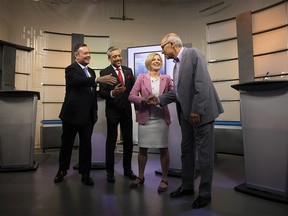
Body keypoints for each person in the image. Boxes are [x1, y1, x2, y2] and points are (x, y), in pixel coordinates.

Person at [149, 33, 224, 208]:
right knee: (186, 151)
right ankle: (188, 186)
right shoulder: (176, 65)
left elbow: (202, 84)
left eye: (163, 48)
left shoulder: (193, 54)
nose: (162, 52)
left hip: (201, 114)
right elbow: (179, 93)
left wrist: (196, 110)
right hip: (187, 116)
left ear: (172, 44)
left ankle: (205, 194)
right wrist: (159, 99)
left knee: (204, 156)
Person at [54, 44, 117, 186]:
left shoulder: (91, 72)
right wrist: (97, 80)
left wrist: (112, 93)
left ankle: (85, 173)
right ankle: (62, 170)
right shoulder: (71, 69)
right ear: (76, 56)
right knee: (67, 144)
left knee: (86, 146)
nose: (88, 55)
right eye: (85, 53)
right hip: (71, 115)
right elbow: (77, 82)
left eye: (89, 53)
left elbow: (91, 93)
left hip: (87, 116)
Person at [128, 52, 173, 192]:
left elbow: (173, 95)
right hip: (145, 118)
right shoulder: (141, 77)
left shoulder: (167, 78)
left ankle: (164, 178)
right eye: (154, 59)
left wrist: (161, 100)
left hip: (161, 118)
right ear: (148, 62)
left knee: (163, 149)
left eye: (159, 59)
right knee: (142, 150)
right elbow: (131, 96)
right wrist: (144, 100)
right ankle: (140, 177)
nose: (157, 61)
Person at [99, 46, 137, 183]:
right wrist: (112, 93)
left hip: (126, 111)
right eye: (114, 56)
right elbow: (102, 93)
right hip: (112, 112)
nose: (118, 58)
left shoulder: (128, 71)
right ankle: (110, 172)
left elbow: (133, 90)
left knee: (128, 142)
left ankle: (128, 169)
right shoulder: (105, 72)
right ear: (109, 58)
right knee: (111, 141)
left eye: (119, 56)